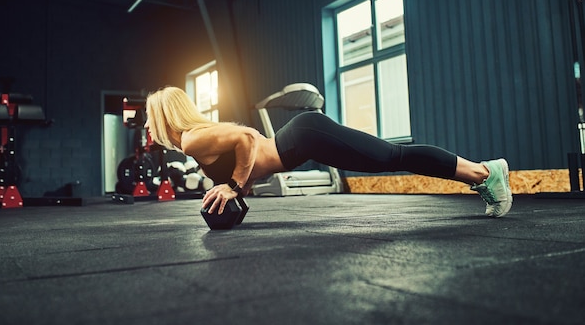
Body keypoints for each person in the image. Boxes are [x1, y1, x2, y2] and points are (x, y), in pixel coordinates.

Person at [144, 86, 512, 219]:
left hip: (304, 136)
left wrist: (235, 186)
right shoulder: (195, 140)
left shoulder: (192, 140)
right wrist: (236, 189)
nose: (147, 127)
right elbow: (247, 145)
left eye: (149, 119)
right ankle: (483, 173)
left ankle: (484, 173)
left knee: (391, 157)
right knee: (391, 157)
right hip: (301, 140)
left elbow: (245, 139)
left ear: (163, 117)